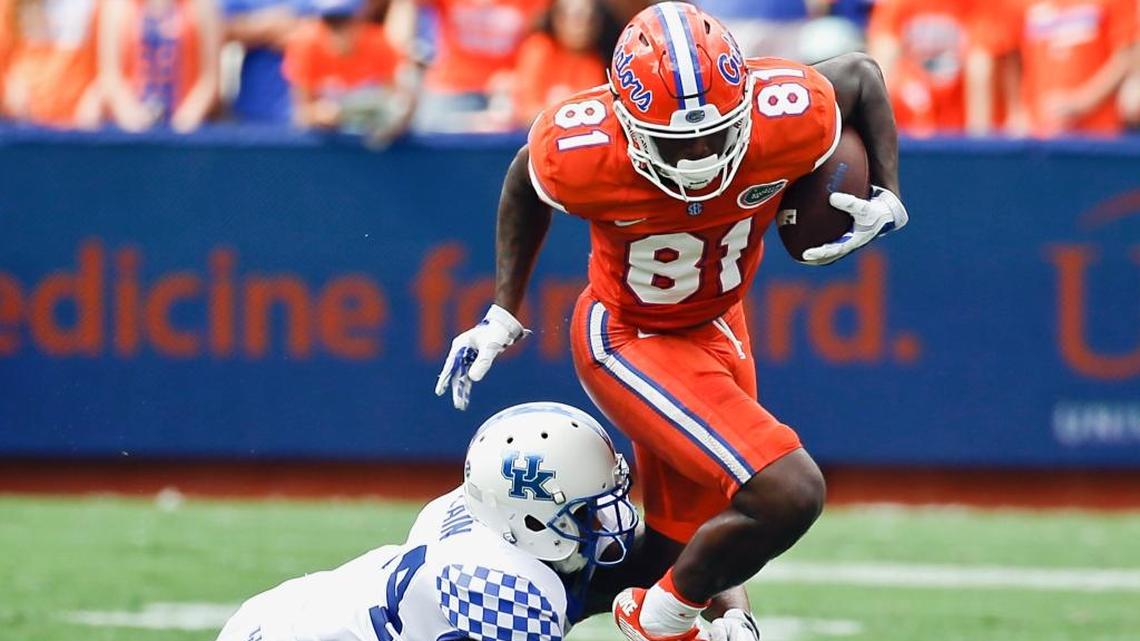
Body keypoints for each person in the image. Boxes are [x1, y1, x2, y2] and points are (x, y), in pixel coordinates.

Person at [433, 3, 908, 640]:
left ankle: (493, 603)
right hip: (630, 335)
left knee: (670, 547)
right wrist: (502, 308)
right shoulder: (583, 147)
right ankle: (658, 620)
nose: (700, 158)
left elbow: (861, 76)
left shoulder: (786, 111)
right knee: (787, 491)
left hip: (720, 323)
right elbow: (526, 176)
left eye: (716, 133)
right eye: (677, 142)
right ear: (624, 117)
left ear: (745, 102)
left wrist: (890, 190)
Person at [216, 402, 640, 641]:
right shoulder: (508, 587)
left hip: (294, 612)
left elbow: (622, 571)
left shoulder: (489, 514)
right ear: (532, 521)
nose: (602, 519)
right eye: (585, 509)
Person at [283, 0, 414, 141]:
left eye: (345, 20)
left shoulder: (381, 44)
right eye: (330, 21)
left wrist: (391, 116)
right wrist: (322, 114)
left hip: (370, 141)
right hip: (327, 142)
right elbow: (301, 113)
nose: (338, 29)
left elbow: (397, 101)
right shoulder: (305, 45)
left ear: (359, 18)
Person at [98, 0, 222, 132]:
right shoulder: (117, 6)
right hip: (128, 129)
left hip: (187, 131)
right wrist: (132, 116)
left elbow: (210, 79)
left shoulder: (201, 6)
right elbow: (110, 76)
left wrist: (184, 121)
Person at [1, 0, 101, 128]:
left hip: (79, 124)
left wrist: (99, 91)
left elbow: (109, 71)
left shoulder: (104, 5)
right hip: (23, 125)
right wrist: (7, 87)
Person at [512, 0, 607, 126]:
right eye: (576, 16)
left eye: (590, 18)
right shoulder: (539, 48)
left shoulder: (594, 63)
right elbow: (525, 109)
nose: (583, 26)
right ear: (557, 18)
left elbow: (593, 114)